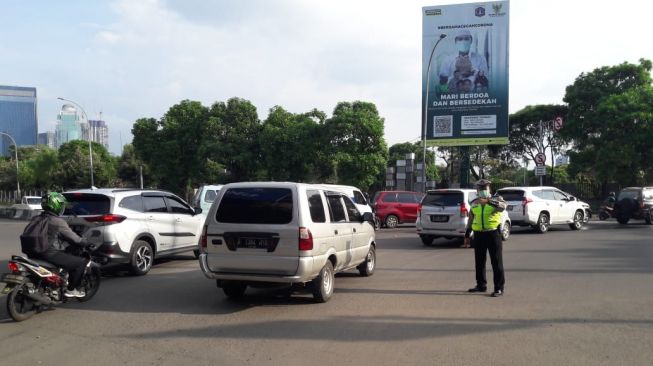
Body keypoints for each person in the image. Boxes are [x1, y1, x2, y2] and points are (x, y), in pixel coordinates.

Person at [27, 192, 91, 298]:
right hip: (48, 254)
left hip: (31, 252)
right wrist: (85, 242)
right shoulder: (57, 221)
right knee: (80, 263)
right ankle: (71, 290)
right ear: (56, 206)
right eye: (61, 205)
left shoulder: (36, 218)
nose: (63, 208)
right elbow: (74, 239)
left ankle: (51, 287)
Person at [463, 179, 507, 297]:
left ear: (489, 189)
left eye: (485, 188)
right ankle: (481, 285)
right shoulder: (474, 203)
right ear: (477, 191)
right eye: (480, 189)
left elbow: (503, 207)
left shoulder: (497, 199)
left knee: (496, 262)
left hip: (493, 234)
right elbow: (471, 219)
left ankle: (499, 288)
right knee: (479, 262)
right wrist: (467, 235)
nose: (482, 191)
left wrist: (488, 201)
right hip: (478, 235)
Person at [438, 29, 489, 93]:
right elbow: (441, 83)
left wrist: (476, 73)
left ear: (471, 40)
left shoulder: (480, 58)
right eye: (460, 39)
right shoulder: (448, 60)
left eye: (466, 39)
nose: (463, 41)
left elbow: (486, 82)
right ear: (455, 41)